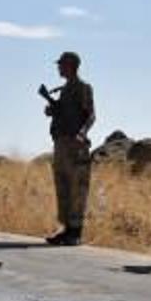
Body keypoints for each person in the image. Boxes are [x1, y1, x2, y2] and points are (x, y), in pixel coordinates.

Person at [41, 51, 95, 246]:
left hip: (76, 146)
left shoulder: (83, 88)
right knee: (62, 187)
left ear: (71, 65)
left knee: (77, 188)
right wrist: (52, 110)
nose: (59, 68)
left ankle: (76, 232)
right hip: (61, 144)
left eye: (61, 65)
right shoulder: (64, 90)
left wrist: (82, 134)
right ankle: (66, 230)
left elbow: (91, 115)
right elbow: (63, 113)